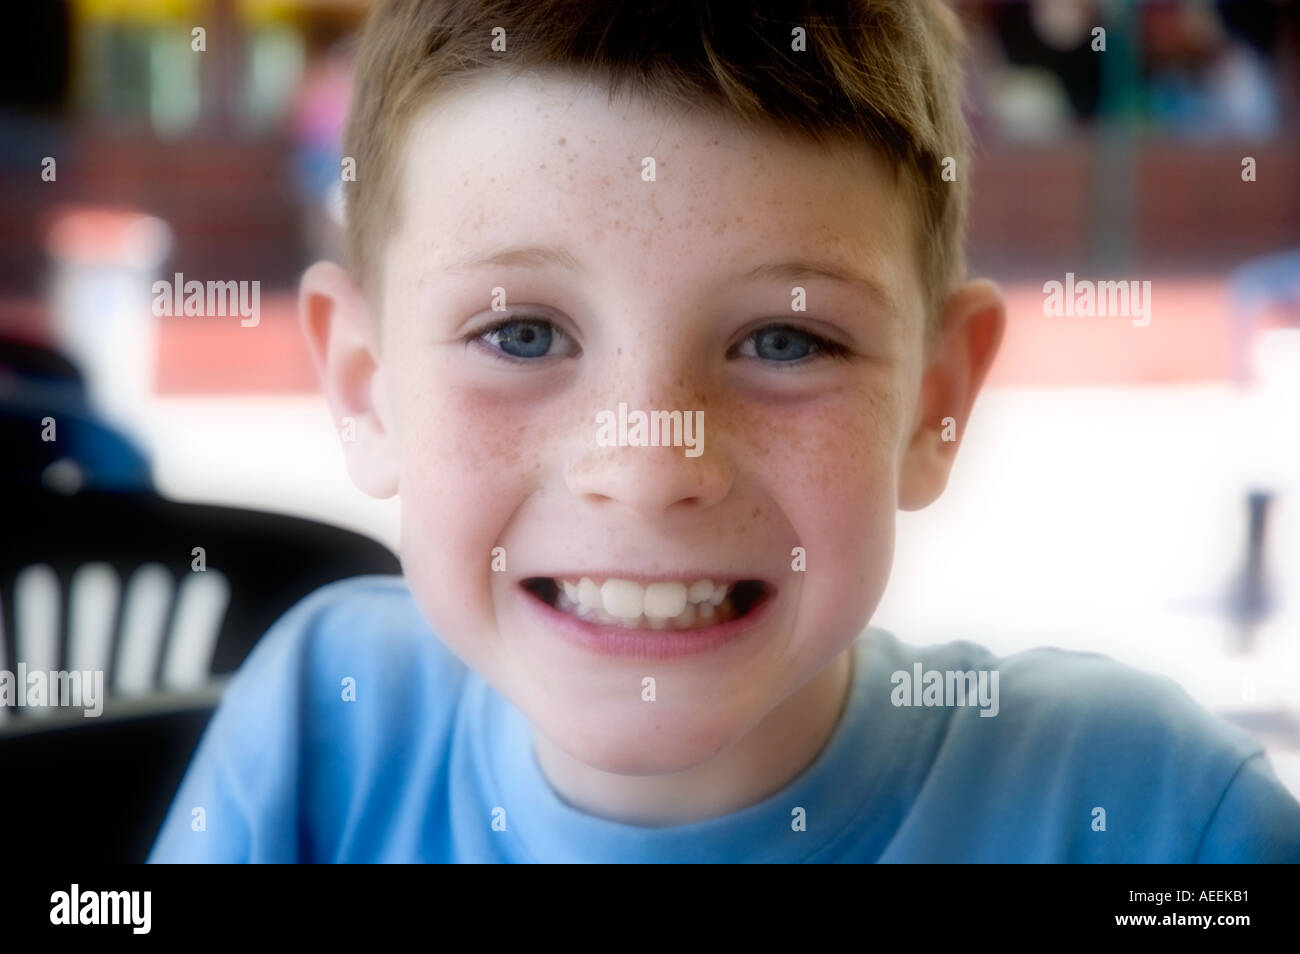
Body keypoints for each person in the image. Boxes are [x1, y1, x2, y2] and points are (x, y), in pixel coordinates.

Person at [147, 0, 1300, 862]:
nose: (649, 472)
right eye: (524, 335)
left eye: (786, 343)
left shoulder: (1152, 819)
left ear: (935, 404)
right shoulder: (320, 729)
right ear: (364, 386)